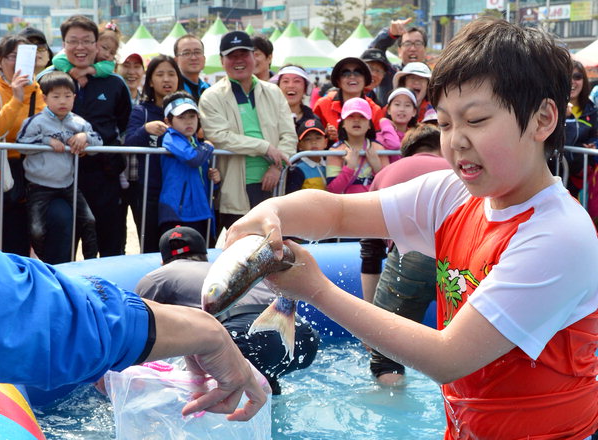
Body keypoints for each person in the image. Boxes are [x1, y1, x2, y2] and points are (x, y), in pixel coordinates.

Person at [225, 18, 598, 439]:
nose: (456, 141)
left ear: (543, 119)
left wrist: (315, 289)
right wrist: (273, 212)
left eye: (475, 120)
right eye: (445, 122)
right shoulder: (452, 194)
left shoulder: (559, 234)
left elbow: (449, 357)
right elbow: (337, 213)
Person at [0, 247, 268, 419]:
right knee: (258, 391)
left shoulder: (160, 275)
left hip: (231, 329)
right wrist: (210, 335)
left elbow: (34, 316)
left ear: (163, 259)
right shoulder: (211, 267)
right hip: (279, 324)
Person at [136, 225, 320, 395]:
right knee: (262, 375)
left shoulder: (157, 277)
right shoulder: (220, 270)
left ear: (163, 261)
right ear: (205, 255)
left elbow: (137, 326)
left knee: (196, 385)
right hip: (302, 335)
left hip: (245, 332)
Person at [360, 124, 450, 386]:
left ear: (405, 153)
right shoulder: (457, 171)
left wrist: (371, 322)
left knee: (387, 355)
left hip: (410, 257)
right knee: (472, 350)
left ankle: (392, 406)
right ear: (441, 146)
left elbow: (371, 250)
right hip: (461, 256)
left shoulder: (387, 173)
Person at [38, 15, 132, 257]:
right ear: (63, 44)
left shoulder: (115, 83)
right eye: (73, 41)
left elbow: (123, 124)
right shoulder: (46, 80)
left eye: (87, 41)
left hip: (104, 177)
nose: (80, 47)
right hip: (57, 180)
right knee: (59, 251)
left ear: (96, 44)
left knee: (109, 249)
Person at [199, 31, 296, 232]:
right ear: (221, 60)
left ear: (254, 56)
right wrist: (265, 147)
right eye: (232, 56)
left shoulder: (273, 91)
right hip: (233, 187)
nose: (239, 61)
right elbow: (219, 136)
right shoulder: (211, 97)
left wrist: (277, 167)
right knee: (241, 250)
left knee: (276, 248)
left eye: (244, 54)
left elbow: (289, 135)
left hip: (274, 185)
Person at [16, 71, 101, 261]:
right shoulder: (35, 122)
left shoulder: (79, 123)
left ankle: (90, 263)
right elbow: (22, 144)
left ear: (74, 98)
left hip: (68, 184)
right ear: (45, 98)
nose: (62, 101)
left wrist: (84, 138)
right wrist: (46, 141)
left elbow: (99, 144)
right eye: (56, 96)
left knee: (89, 221)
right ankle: (41, 263)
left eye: (67, 96)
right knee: (37, 230)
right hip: (39, 186)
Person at [124, 55, 184, 253]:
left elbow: (200, 138)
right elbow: (129, 142)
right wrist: (145, 129)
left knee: (178, 242)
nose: (166, 79)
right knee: (150, 243)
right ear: (150, 80)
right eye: (160, 74)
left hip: (179, 187)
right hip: (149, 188)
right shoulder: (142, 111)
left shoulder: (187, 109)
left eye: (171, 74)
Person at [0, 35, 45, 256]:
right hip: (1, 171)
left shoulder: (40, 91)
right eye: (12, 56)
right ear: (0, 61)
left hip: (28, 175)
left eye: (24, 57)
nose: (18, 62)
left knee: (18, 242)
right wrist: (16, 99)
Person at [158, 91, 215, 239]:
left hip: (198, 210)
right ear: (168, 121)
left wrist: (214, 178)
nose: (188, 122)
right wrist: (207, 146)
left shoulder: (195, 142)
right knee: (177, 258)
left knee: (200, 258)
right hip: (177, 211)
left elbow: (200, 175)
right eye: (181, 117)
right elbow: (193, 159)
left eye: (192, 116)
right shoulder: (170, 137)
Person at [313, 57, 384, 143]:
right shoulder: (322, 105)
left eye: (358, 72)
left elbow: (378, 142)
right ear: (338, 81)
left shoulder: (375, 110)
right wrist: (326, 136)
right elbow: (312, 139)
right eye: (345, 73)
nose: (352, 76)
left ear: (365, 80)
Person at [326, 97, 388, 194]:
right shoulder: (335, 151)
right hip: (346, 206)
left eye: (362, 117)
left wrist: (377, 168)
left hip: (372, 205)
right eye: (351, 116)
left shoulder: (379, 148)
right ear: (343, 123)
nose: (356, 120)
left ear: (369, 125)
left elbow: (388, 187)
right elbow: (332, 190)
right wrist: (350, 167)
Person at [369, 18, 428, 105]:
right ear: (399, 51)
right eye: (407, 44)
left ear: (425, 50)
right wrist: (390, 34)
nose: (413, 48)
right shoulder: (390, 74)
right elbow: (373, 54)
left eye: (418, 43)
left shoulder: (433, 79)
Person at [562, 60, 597, 199]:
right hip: (554, 174)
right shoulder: (551, 106)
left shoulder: (590, 108)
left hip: (579, 177)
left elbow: (594, 135)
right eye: (568, 77)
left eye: (577, 77)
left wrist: (593, 144)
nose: (573, 81)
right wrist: (562, 117)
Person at [51, 22, 121, 88]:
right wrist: (73, 71)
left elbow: (108, 68)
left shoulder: (108, 65)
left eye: (112, 53)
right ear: (94, 43)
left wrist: (88, 70)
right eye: (104, 48)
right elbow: (57, 60)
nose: (107, 54)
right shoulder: (76, 56)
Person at [375, 87, 418, 163]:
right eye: (397, 104)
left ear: (414, 112)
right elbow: (394, 145)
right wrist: (385, 123)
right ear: (388, 109)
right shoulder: (379, 137)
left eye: (407, 105)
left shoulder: (417, 137)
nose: (402, 109)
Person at [286, 118, 327, 193]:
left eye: (318, 138)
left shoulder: (329, 164)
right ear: (299, 145)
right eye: (308, 139)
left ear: (325, 142)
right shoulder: (297, 170)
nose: (313, 142)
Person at [270, 64, 316, 130]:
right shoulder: (267, 117)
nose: (291, 85)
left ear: (305, 88)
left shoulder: (313, 120)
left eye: (297, 81)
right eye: (285, 81)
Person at [174, 34, 210, 104]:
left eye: (197, 52)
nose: (193, 57)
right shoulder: (173, 89)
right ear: (176, 60)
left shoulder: (208, 89)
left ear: (204, 58)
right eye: (186, 53)